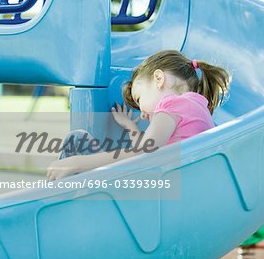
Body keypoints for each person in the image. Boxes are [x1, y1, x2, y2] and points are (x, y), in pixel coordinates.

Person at [47, 49, 230, 181]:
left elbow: (142, 153)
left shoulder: (172, 104)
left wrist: (79, 162)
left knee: (77, 140)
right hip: (178, 184)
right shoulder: (197, 107)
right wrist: (131, 128)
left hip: (157, 190)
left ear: (158, 79)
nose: (142, 114)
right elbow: (149, 151)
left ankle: (55, 197)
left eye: (139, 97)